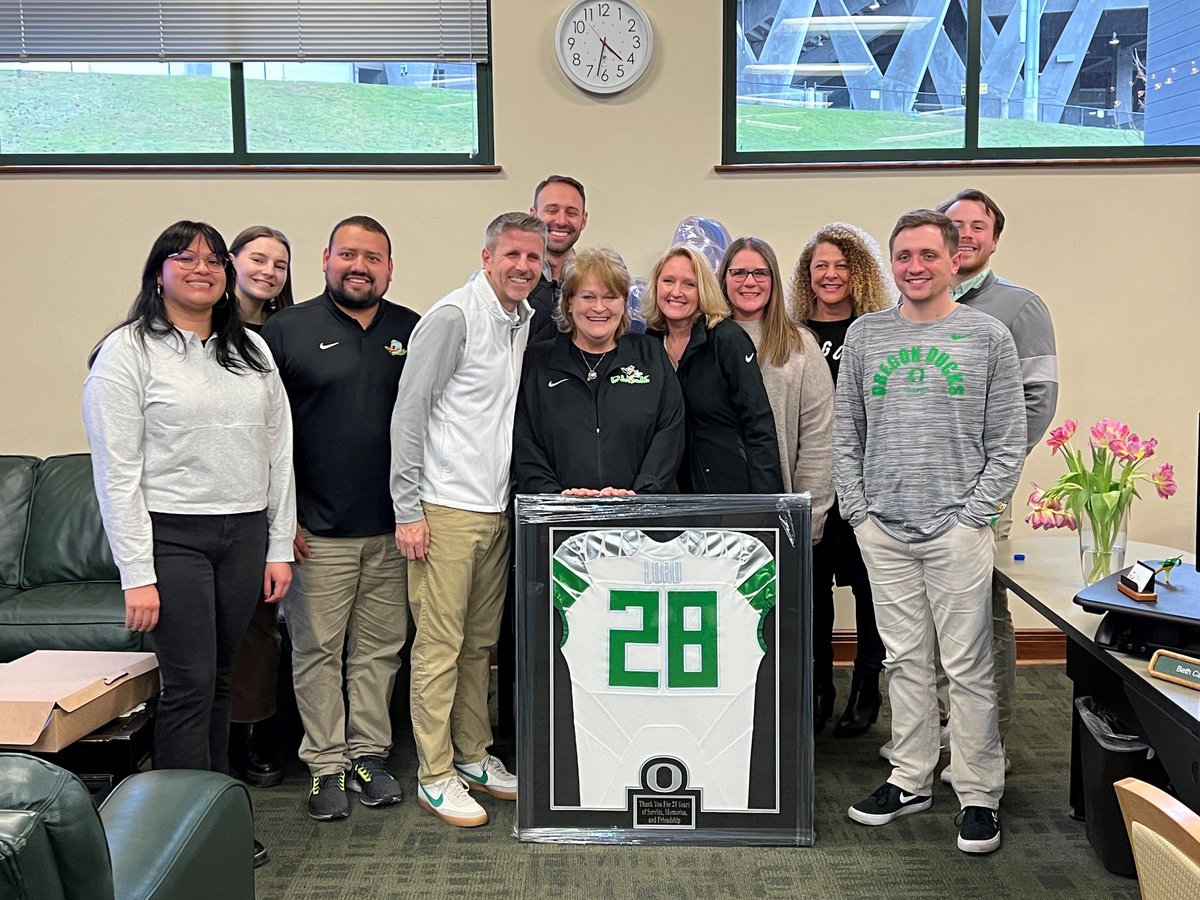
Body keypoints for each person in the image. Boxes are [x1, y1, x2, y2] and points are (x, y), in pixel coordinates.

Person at [83, 220, 295, 867]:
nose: (201, 268)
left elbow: (279, 449)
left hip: (243, 533)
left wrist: (278, 544)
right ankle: (176, 836)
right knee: (188, 684)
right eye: (185, 258)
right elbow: (116, 472)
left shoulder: (249, 352)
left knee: (224, 681)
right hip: (171, 535)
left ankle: (219, 817)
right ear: (159, 273)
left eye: (211, 259)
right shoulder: (127, 352)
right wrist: (136, 573)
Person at [835, 209, 1025, 855]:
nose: (914, 267)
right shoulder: (865, 336)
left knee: (968, 666)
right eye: (903, 256)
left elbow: (1007, 439)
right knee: (904, 661)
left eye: (926, 255)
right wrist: (859, 513)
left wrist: (975, 514)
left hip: (956, 530)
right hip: (883, 529)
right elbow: (846, 434)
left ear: (953, 260)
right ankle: (911, 777)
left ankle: (977, 793)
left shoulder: (987, 336)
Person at [260, 216, 420, 821]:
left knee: (380, 652)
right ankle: (325, 765)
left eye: (373, 257)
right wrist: (284, 520)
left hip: (393, 529)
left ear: (389, 266)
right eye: (349, 254)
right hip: (315, 533)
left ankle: (368, 757)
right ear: (326, 258)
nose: (360, 265)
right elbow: (266, 433)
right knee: (317, 652)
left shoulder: (412, 329)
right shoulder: (286, 330)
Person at [390, 212, 545, 828]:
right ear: (486, 257)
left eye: (533, 258)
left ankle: (474, 756)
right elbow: (409, 415)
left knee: (479, 647)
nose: (522, 267)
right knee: (438, 648)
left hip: (494, 506)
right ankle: (434, 773)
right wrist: (407, 510)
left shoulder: (524, 320)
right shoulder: (454, 317)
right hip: (443, 509)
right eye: (511, 255)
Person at [936, 187, 1059, 767]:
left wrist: (994, 474)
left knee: (983, 615)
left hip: (981, 492)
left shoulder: (1018, 306)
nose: (963, 234)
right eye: (953, 224)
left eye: (976, 225)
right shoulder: (918, 305)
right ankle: (944, 730)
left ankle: (991, 740)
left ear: (994, 238)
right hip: (922, 492)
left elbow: (1039, 399)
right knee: (932, 618)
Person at [790, 224, 893, 737]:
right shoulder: (791, 334)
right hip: (811, 488)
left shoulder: (877, 331)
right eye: (820, 266)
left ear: (861, 272)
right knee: (813, 594)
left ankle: (867, 686)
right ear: (807, 276)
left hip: (867, 488)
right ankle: (819, 685)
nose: (830, 275)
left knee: (871, 591)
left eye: (841, 265)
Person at [515, 246, 684, 495]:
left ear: (624, 303)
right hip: (559, 517)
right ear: (569, 302)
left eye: (610, 297)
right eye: (588, 297)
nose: (599, 308)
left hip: (640, 515)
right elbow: (525, 440)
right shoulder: (539, 361)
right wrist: (554, 496)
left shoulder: (650, 355)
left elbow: (670, 430)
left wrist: (643, 493)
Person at [225, 225, 295, 790]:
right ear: (232, 262)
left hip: (271, 499)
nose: (268, 271)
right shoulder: (196, 330)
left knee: (261, 628)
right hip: (211, 502)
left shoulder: (288, 334)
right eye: (257, 259)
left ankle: (254, 733)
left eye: (279, 264)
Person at [643, 245, 782, 494]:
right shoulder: (648, 345)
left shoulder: (727, 340)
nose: (676, 292)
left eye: (689, 284)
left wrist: (767, 510)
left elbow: (759, 427)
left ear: (703, 290)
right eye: (668, 281)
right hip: (667, 497)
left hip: (729, 496)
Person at [718, 235, 833, 514]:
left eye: (760, 273)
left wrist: (810, 515)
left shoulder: (800, 343)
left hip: (782, 509)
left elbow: (819, 436)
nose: (749, 282)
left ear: (774, 280)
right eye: (739, 273)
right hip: (715, 507)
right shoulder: (704, 341)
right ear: (723, 279)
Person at [527, 175, 588, 343]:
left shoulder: (594, 279)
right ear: (533, 215)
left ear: (583, 220)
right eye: (552, 210)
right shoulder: (508, 278)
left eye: (571, 212)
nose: (561, 221)